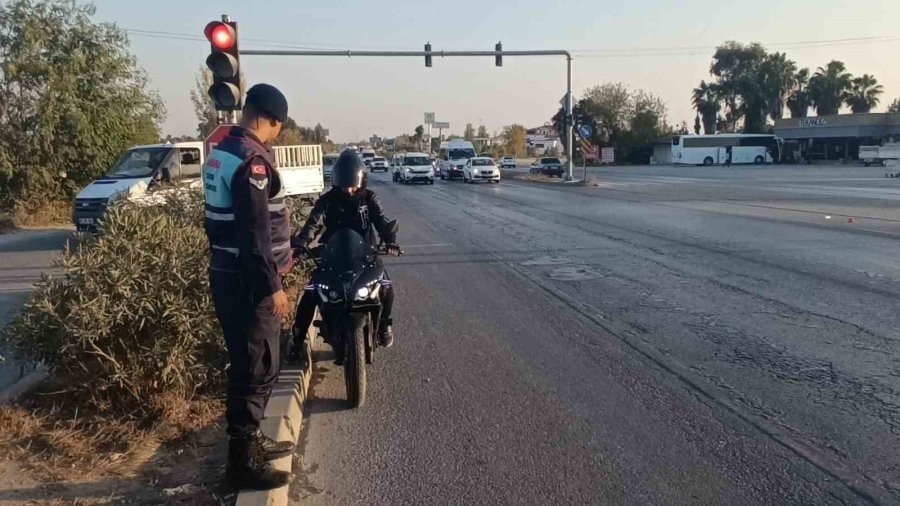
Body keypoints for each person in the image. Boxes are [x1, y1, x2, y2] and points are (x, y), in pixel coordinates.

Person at [202, 83, 295, 491]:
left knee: (249, 364)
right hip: (249, 283)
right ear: (271, 120)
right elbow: (255, 234)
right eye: (279, 127)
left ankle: (252, 441)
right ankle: (242, 463)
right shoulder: (252, 161)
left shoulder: (222, 152)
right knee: (255, 369)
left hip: (227, 274)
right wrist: (273, 285)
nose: (277, 134)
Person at [289, 150, 401, 366]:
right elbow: (313, 223)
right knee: (311, 293)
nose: (348, 189)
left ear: (361, 180)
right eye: (343, 185)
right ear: (336, 181)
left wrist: (390, 240)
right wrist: (302, 242)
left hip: (366, 256)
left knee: (387, 286)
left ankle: (385, 325)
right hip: (332, 256)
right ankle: (296, 340)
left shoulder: (369, 199)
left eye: (352, 184)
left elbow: (381, 221)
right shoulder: (327, 201)